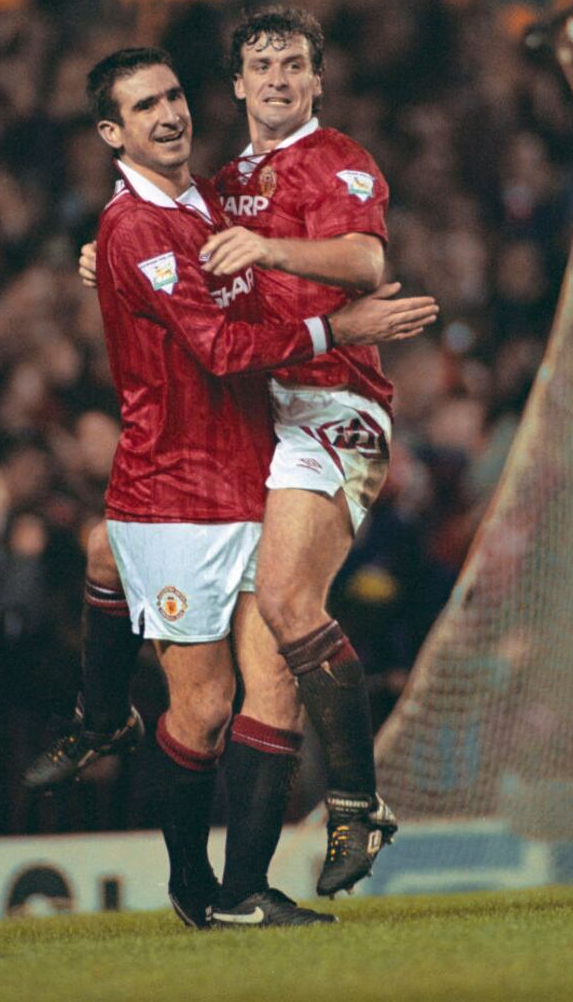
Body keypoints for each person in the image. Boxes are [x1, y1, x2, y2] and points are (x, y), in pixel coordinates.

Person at [26, 45, 437, 929]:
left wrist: (105, 255)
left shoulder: (217, 199)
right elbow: (216, 345)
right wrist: (336, 330)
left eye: (173, 96)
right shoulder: (142, 225)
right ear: (112, 133)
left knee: (275, 667)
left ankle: (252, 885)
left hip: (263, 458)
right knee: (204, 704)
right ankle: (187, 877)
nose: (169, 113)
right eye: (145, 106)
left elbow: (329, 259)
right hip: (176, 487)